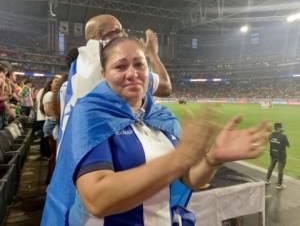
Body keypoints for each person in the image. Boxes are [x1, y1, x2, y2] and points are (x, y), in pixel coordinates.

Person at [42, 37, 271, 226]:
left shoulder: (161, 116)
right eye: (120, 66)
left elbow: (189, 178)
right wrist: (179, 157)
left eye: (139, 64)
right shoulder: (91, 113)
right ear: (103, 73)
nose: (132, 73)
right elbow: (98, 199)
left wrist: (212, 159)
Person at [58, 14, 172, 154]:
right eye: (119, 30)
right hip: (92, 160)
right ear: (100, 35)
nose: (124, 35)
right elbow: (166, 87)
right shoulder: (105, 61)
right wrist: (152, 54)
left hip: (69, 154)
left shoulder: (79, 63)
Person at [266, 122, 290, 189]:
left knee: (271, 166)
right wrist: (281, 134)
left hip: (273, 153)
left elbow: (270, 141)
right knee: (280, 170)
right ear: (279, 128)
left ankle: (267, 180)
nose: (282, 128)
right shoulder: (283, 136)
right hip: (281, 155)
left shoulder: (271, 134)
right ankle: (279, 184)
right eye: (281, 127)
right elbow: (288, 145)